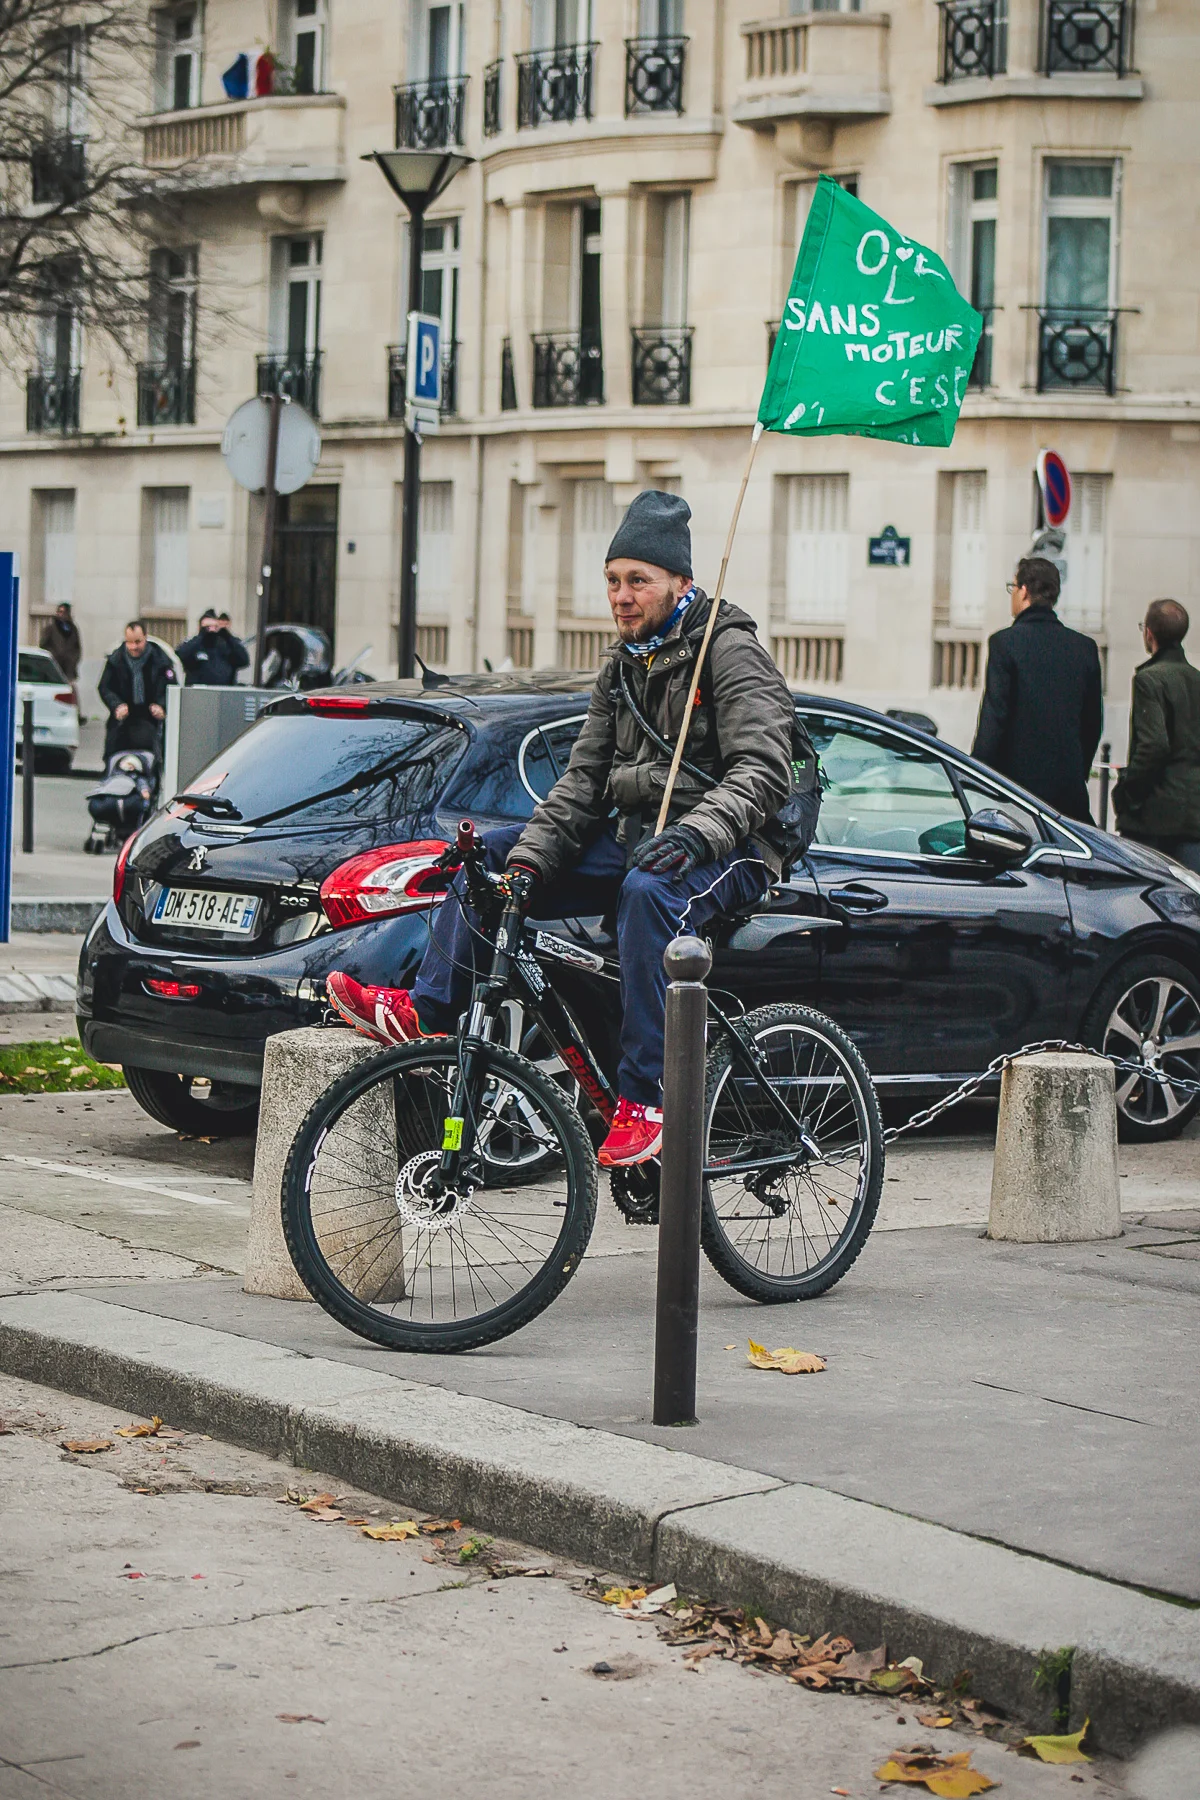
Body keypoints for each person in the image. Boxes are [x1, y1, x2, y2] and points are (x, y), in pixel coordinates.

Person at [326, 490, 797, 1168]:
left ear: (681, 583)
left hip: (734, 844)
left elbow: (763, 769)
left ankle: (648, 1097)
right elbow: (580, 783)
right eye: (613, 580)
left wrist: (697, 835)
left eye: (639, 580)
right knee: (488, 857)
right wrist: (529, 863)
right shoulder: (620, 665)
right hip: (644, 835)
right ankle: (429, 1012)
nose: (622, 595)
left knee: (647, 893)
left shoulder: (728, 650)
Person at [972, 555, 1103, 822]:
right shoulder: (1084, 648)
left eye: (1013, 587)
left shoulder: (1005, 644)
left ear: (1023, 591)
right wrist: (1077, 772)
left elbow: (995, 719)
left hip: (1017, 793)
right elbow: (1092, 723)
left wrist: (977, 774)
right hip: (1069, 794)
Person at [1112, 599, 1200, 872]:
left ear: (1149, 633)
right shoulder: (1196, 679)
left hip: (1154, 818)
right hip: (1193, 817)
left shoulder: (1149, 679)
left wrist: (1128, 792)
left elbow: (1153, 746)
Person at [98, 620, 176, 759]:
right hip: (123, 720)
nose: (133, 647)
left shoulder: (160, 661)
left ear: (145, 637)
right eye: (129, 642)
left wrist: (161, 706)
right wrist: (116, 705)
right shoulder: (116, 660)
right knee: (114, 756)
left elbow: (171, 687)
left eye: (138, 642)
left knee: (152, 756)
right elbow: (105, 687)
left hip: (150, 718)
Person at [177, 609, 250, 686]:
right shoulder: (194, 645)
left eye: (215, 626)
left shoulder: (227, 646)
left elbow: (244, 661)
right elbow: (181, 656)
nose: (211, 629)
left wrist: (226, 635)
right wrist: (202, 635)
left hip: (224, 692)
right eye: (208, 627)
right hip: (198, 693)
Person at [40, 601, 82, 710]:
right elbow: (43, 644)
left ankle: (76, 712)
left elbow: (77, 647)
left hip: (68, 666)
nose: (61, 614)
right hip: (55, 664)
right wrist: (52, 655)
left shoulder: (73, 629)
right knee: (55, 689)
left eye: (63, 612)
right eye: (59, 612)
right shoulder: (51, 628)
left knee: (71, 688)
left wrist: (74, 659)